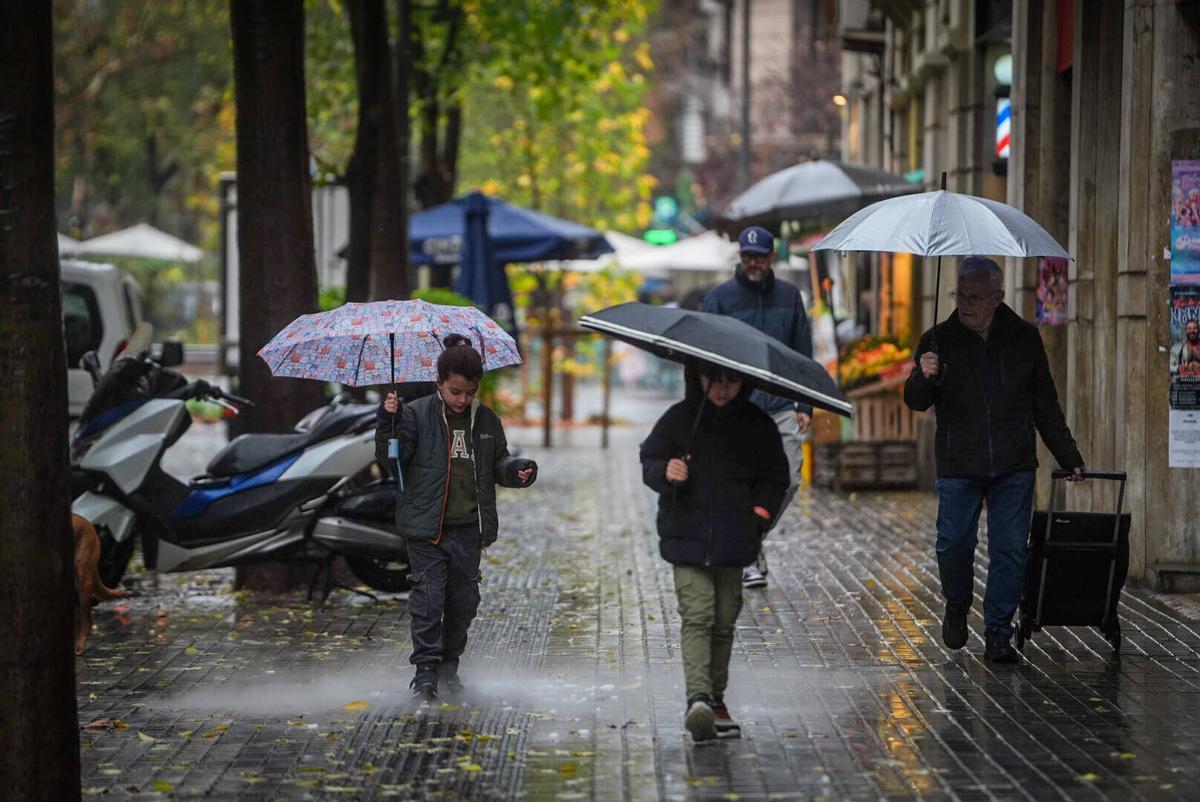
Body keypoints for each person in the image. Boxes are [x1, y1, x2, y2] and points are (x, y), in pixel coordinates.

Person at [904, 257, 1085, 663]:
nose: (965, 304)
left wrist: (1068, 454)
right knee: (953, 544)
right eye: (960, 296)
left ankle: (999, 630)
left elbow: (1045, 405)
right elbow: (916, 401)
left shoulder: (1024, 338)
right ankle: (956, 601)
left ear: (998, 299)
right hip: (958, 462)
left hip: (1012, 462)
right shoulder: (938, 339)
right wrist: (923, 374)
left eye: (975, 297)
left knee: (1009, 549)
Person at [376, 333, 537, 700]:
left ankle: (450, 666)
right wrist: (388, 422)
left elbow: (499, 463)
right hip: (427, 528)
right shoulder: (415, 414)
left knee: (463, 602)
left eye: (469, 393)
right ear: (439, 383)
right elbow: (392, 460)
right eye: (455, 392)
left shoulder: (487, 421)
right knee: (429, 599)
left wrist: (517, 471)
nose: (463, 400)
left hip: (469, 529)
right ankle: (426, 672)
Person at [640, 364, 789, 742]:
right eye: (714, 380)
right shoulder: (680, 419)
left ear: (744, 381)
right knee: (699, 615)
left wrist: (758, 516)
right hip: (686, 538)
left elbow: (775, 477)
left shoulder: (757, 426)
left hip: (735, 540)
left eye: (732, 381)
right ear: (699, 377)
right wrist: (665, 471)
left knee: (724, 620)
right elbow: (650, 458)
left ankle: (717, 700)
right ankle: (698, 700)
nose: (723, 389)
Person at [703, 225, 812, 589]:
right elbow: (702, 355)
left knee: (790, 478)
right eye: (748, 256)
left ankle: (750, 539)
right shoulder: (720, 298)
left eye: (760, 257)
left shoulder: (790, 296)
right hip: (736, 406)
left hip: (782, 404)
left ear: (771, 257)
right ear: (740, 256)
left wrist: (805, 404)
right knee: (740, 482)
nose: (754, 263)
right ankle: (748, 552)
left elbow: (802, 353)